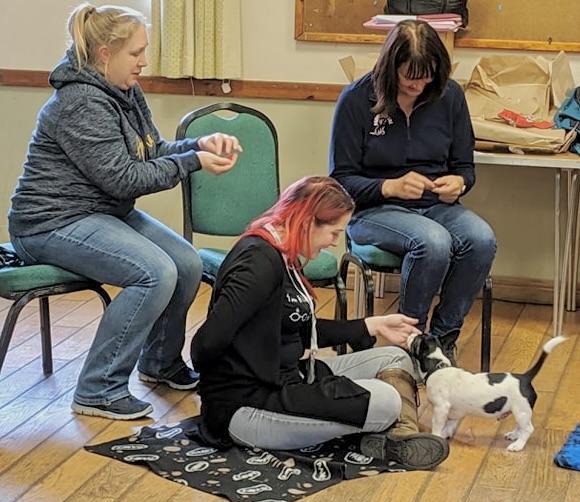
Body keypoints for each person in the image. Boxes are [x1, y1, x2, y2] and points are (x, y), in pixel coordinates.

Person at [8, 3, 242, 420]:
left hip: (99, 212)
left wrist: (199, 145)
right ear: (104, 54)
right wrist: (192, 163)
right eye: (136, 53)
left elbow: (149, 150)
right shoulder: (80, 102)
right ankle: (98, 388)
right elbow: (125, 179)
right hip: (48, 223)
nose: (144, 61)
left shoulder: (124, 90)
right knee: (155, 273)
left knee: (186, 263)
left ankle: (159, 362)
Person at [191, 176, 449, 471]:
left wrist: (371, 326)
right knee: (387, 401)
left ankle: (395, 439)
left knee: (394, 357)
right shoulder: (257, 264)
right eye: (334, 232)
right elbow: (204, 345)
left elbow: (298, 329)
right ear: (306, 222)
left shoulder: (282, 252)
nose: (335, 242)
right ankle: (392, 437)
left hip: (288, 378)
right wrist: (234, 382)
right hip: (245, 408)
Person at [329, 20, 496, 363]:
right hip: (372, 209)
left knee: (481, 239)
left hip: (436, 206)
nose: (419, 84)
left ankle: (441, 341)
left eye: (427, 76)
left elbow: (465, 167)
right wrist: (388, 186)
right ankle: (408, 341)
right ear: (391, 69)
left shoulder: (449, 96)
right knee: (433, 242)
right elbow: (341, 181)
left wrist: (459, 183)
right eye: (410, 76)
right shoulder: (357, 100)